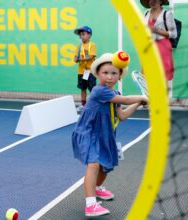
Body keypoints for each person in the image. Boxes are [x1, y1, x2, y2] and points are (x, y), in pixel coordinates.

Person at [72, 53, 148, 217]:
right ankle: (90, 204)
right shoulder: (100, 91)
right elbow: (125, 99)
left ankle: (97, 189)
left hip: (105, 134)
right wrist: (142, 97)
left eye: (114, 73)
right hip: (88, 132)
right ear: (98, 74)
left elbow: (122, 116)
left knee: (106, 165)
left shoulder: (115, 93)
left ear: (120, 75)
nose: (109, 77)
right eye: (105, 72)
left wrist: (138, 103)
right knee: (93, 164)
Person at [141, 0, 177, 98]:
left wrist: (157, 30)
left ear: (160, 1)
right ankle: (148, 98)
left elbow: (174, 34)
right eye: (150, 0)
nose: (152, 1)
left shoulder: (167, 14)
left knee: (164, 72)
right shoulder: (146, 13)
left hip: (163, 46)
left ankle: (165, 99)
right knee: (146, 72)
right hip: (149, 46)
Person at [73, 26, 97, 112]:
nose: (81, 36)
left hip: (90, 72)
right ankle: (83, 105)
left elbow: (91, 57)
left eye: (83, 34)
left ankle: (93, 104)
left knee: (92, 89)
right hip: (81, 72)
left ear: (89, 35)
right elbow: (75, 58)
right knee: (83, 88)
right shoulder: (78, 47)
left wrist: (80, 59)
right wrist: (76, 59)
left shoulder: (92, 45)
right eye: (80, 35)